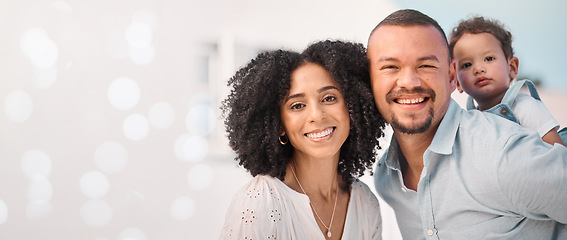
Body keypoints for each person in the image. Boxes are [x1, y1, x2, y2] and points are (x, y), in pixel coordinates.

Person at [367, 9, 567, 239]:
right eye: (390, 67)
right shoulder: (387, 180)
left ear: (452, 77)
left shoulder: (502, 153)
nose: (409, 82)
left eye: (426, 65)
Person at [219, 40, 386, 240]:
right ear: (280, 126)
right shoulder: (260, 202)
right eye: (297, 105)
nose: (317, 115)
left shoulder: (365, 202)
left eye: (329, 98)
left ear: (352, 106)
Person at [449, 16, 564, 146]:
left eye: (488, 59)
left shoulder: (525, 107)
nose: (478, 69)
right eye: (467, 65)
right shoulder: (468, 120)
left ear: (512, 67)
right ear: (456, 81)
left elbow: (558, 155)